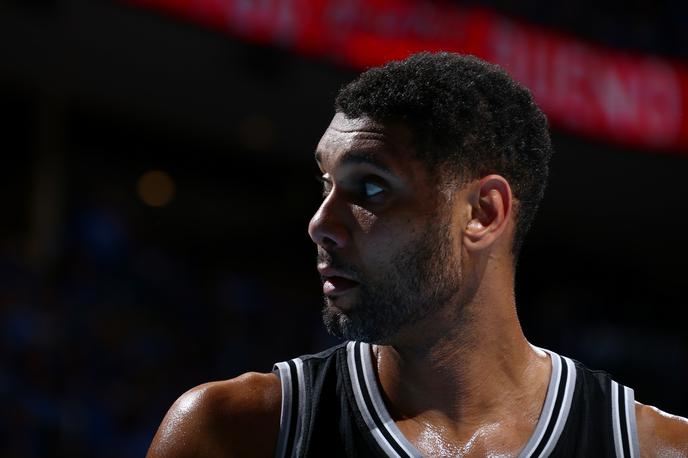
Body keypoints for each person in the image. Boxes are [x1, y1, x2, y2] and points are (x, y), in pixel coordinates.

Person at [147, 52, 688, 457]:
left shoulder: (657, 447)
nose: (320, 224)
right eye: (327, 184)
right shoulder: (233, 431)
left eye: (371, 188)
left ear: (482, 213)